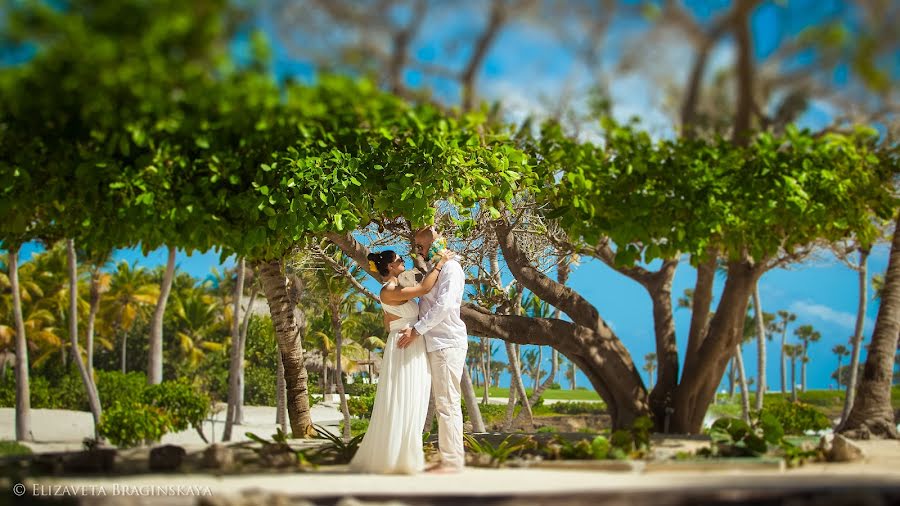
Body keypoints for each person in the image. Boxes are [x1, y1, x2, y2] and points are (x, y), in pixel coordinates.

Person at [349, 247, 455, 474]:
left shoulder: (394, 288)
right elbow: (425, 288)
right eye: (399, 260)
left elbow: (388, 321)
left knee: (413, 397)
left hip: (408, 343)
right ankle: (398, 458)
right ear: (390, 266)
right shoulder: (389, 290)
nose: (403, 261)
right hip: (405, 346)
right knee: (404, 397)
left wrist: (400, 325)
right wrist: (440, 262)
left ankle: (405, 455)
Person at [396, 226, 467, 473]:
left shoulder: (451, 268)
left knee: (448, 405)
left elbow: (446, 306)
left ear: (434, 245)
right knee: (442, 405)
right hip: (435, 343)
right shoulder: (434, 269)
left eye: (421, 246)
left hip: (446, 343)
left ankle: (453, 462)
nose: (418, 250)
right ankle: (449, 459)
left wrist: (416, 330)